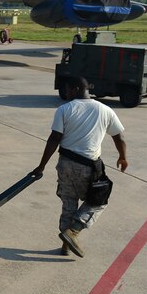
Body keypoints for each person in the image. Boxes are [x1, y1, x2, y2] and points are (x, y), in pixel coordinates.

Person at [31, 76, 128, 258]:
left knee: (69, 203)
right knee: (99, 200)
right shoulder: (105, 110)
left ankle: (65, 246)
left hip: (65, 164)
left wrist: (41, 166)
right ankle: (74, 231)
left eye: (67, 90)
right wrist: (123, 157)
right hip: (88, 167)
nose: (66, 93)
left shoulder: (64, 109)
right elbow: (119, 137)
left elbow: (54, 139)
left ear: (75, 89)